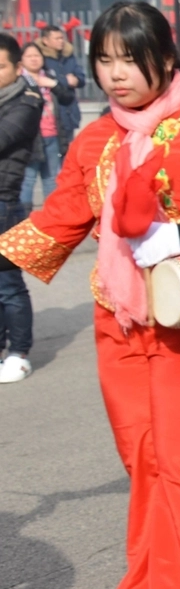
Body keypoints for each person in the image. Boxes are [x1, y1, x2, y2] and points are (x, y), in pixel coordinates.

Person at [0, 1, 180, 587]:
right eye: (104, 60)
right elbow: (59, 218)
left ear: (165, 58)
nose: (116, 73)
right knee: (143, 460)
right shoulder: (94, 139)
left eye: (131, 59)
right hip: (119, 320)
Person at [0, 34, 42, 384]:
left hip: (4, 201)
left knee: (8, 282)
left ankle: (19, 353)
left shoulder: (26, 102)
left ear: (16, 68)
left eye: (0, 66)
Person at [18, 42, 74, 211]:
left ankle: (51, 214)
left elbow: (67, 98)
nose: (34, 59)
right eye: (29, 56)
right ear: (21, 61)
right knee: (28, 178)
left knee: (51, 177)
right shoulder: (19, 80)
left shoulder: (49, 76)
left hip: (52, 134)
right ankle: (23, 218)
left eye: (37, 56)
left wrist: (53, 84)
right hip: (30, 137)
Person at [36, 25, 83, 159]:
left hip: (70, 111)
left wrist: (77, 80)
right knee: (53, 160)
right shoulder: (41, 58)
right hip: (52, 115)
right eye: (56, 38)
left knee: (68, 156)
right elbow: (41, 80)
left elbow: (81, 78)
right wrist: (64, 81)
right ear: (45, 40)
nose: (61, 41)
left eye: (62, 38)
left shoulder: (69, 56)